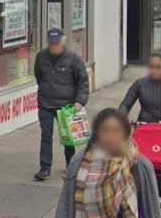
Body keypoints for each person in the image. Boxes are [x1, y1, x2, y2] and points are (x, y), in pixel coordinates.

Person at [55, 108, 161, 218]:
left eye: (116, 131)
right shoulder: (79, 162)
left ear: (125, 133)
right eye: (105, 130)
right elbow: (65, 203)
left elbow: (151, 206)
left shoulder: (140, 165)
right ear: (97, 133)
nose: (111, 136)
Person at [34, 28, 89, 181]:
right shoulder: (41, 57)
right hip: (45, 103)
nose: (54, 46)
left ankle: (70, 166)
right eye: (51, 44)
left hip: (66, 105)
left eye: (56, 43)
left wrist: (80, 101)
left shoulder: (73, 58)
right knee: (46, 135)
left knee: (68, 138)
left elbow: (83, 81)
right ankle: (45, 168)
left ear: (62, 42)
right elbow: (38, 75)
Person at [119, 54, 161, 123]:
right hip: (143, 126)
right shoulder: (140, 83)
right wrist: (121, 117)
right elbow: (125, 104)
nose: (154, 70)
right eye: (151, 67)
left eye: (158, 67)